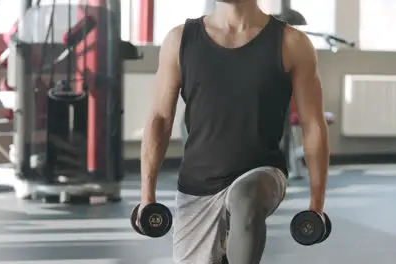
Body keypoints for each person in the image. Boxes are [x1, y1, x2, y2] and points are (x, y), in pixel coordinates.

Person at [139, 0, 329, 263]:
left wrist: (316, 204)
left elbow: (313, 124)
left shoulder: (291, 43)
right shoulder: (180, 40)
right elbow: (160, 118)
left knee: (246, 198)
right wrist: (147, 196)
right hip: (197, 186)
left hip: (262, 173)